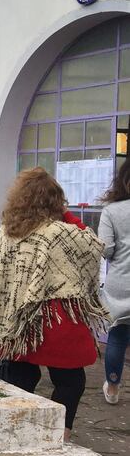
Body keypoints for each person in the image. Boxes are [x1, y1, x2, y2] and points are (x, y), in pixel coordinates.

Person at [0, 168, 108, 440]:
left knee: (19, 375)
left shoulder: (7, 233)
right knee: (70, 380)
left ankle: (18, 429)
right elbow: (93, 246)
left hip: (16, 317)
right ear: (56, 201)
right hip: (55, 318)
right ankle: (61, 433)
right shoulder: (63, 232)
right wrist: (64, 214)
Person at [99, 158, 130, 405]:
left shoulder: (111, 212)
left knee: (117, 337)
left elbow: (106, 250)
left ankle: (112, 387)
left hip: (121, 282)